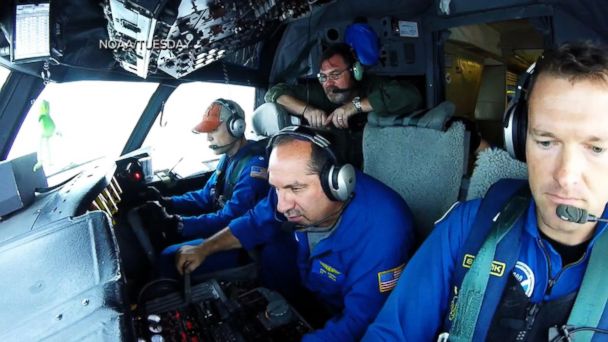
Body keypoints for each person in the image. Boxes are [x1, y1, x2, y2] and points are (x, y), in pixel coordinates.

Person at [363, 41, 608, 341]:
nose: (566, 176)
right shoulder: (468, 227)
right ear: (519, 140)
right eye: (546, 142)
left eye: (596, 148)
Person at [175, 126, 416, 341]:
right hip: (304, 294)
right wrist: (204, 248)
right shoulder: (286, 189)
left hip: (340, 317)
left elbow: (358, 324)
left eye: (295, 189)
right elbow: (254, 223)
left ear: (337, 184)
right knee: (273, 248)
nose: (281, 205)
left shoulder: (384, 232)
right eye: (276, 188)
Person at [141, 99, 270, 275]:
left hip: (241, 244)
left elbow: (230, 218)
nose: (208, 137)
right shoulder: (228, 157)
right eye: (207, 131)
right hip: (223, 229)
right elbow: (206, 196)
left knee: (168, 257)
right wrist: (167, 202)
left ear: (237, 127)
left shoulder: (255, 166)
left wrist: (179, 224)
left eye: (214, 129)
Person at [265, 43, 422, 130]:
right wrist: (307, 110)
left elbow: (411, 96)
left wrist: (354, 107)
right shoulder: (322, 93)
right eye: (323, 77)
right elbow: (274, 93)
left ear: (355, 72)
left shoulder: (373, 86)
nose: (328, 83)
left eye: (335, 75)